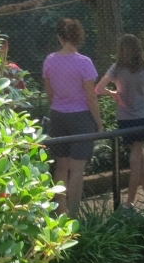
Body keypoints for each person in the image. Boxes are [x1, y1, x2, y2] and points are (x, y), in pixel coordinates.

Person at [95, 34, 144, 210]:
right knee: (137, 158)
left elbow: (98, 88)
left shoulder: (116, 68)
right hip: (142, 116)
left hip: (124, 118)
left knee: (140, 156)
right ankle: (128, 205)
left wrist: (113, 94)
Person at [42, 18, 102, 217]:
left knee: (61, 166)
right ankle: (74, 216)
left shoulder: (49, 60)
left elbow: (50, 94)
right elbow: (91, 97)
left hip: (58, 115)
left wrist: (58, 108)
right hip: (81, 118)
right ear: (78, 37)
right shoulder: (84, 63)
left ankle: (60, 212)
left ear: (59, 37)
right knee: (77, 170)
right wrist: (99, 123)